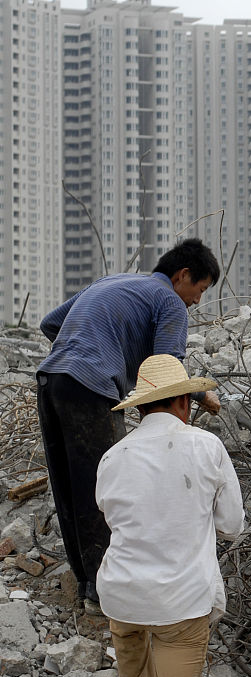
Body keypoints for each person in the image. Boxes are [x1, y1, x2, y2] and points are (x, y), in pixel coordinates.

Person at [37, 238, 221, 614]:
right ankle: (108, 591)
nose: (197, 301)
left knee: (70, 487)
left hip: (52, 378)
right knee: (109, 485)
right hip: (91, 387)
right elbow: (167, 365)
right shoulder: (169, 301)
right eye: (199, 290)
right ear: (182, 275)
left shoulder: (110, 282)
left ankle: (89, 583)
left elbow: (50, 322)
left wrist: (89, 349)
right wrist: (202, 396)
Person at [94, 354, 245, 677]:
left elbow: (110, 515)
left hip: (121, 590)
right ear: (184, 402)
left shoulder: (112, 456)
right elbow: (232, 524)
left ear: (141, 408)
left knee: (127, 630)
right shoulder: (205, 446)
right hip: (182, 601)